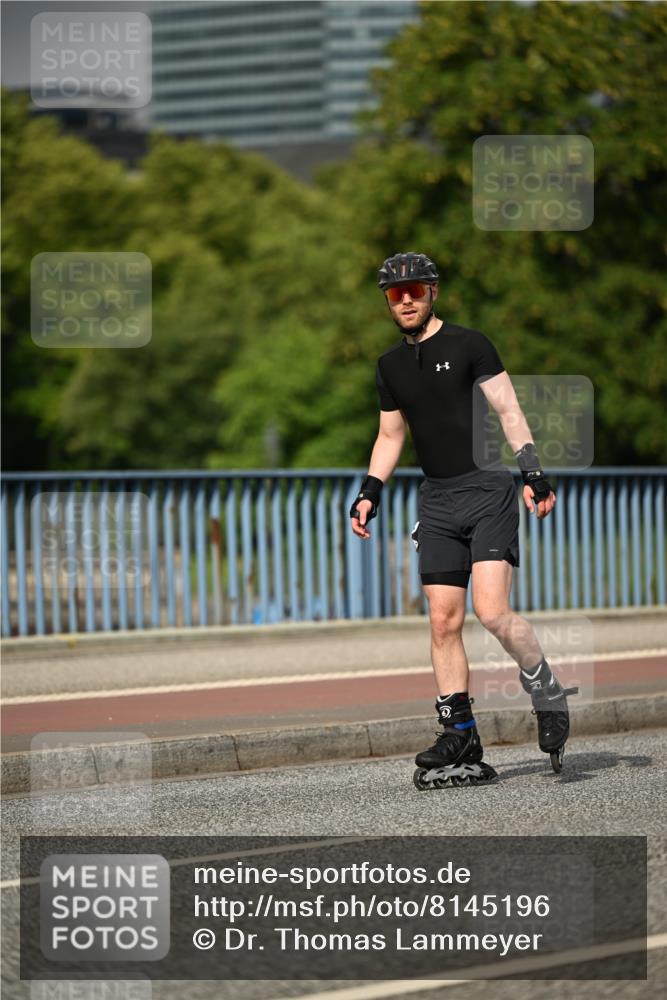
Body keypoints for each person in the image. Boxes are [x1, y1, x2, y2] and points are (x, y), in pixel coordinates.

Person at [349, 252, 577, 787]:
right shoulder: (389, 366)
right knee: (442, 621)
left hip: (488, 490)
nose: (405, 300)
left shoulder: (470, 344)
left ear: (433, 292)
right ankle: (459, 731)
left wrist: (533, 474)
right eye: (394, 294)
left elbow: (509, 410)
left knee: (492, 612)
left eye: (415, 290)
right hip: (437, 500)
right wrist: (369, 492)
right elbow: (390, 436)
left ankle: (543, 685)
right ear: (387, 301)